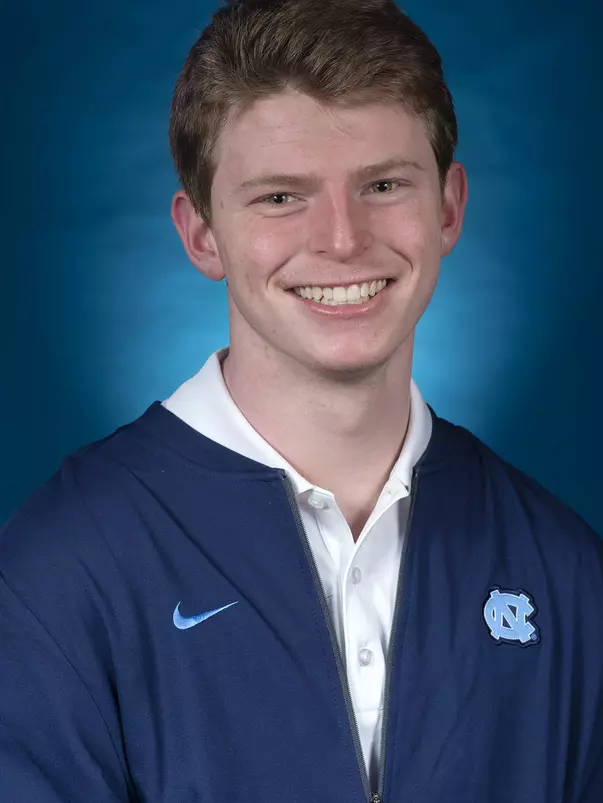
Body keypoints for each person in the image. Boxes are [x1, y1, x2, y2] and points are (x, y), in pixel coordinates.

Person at [1, 0, 602, 800]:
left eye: (383, 184)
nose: (342, 240)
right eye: (280, 197)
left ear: (448, 207)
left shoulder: (564, 572)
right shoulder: (57, 570)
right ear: (202, 233)